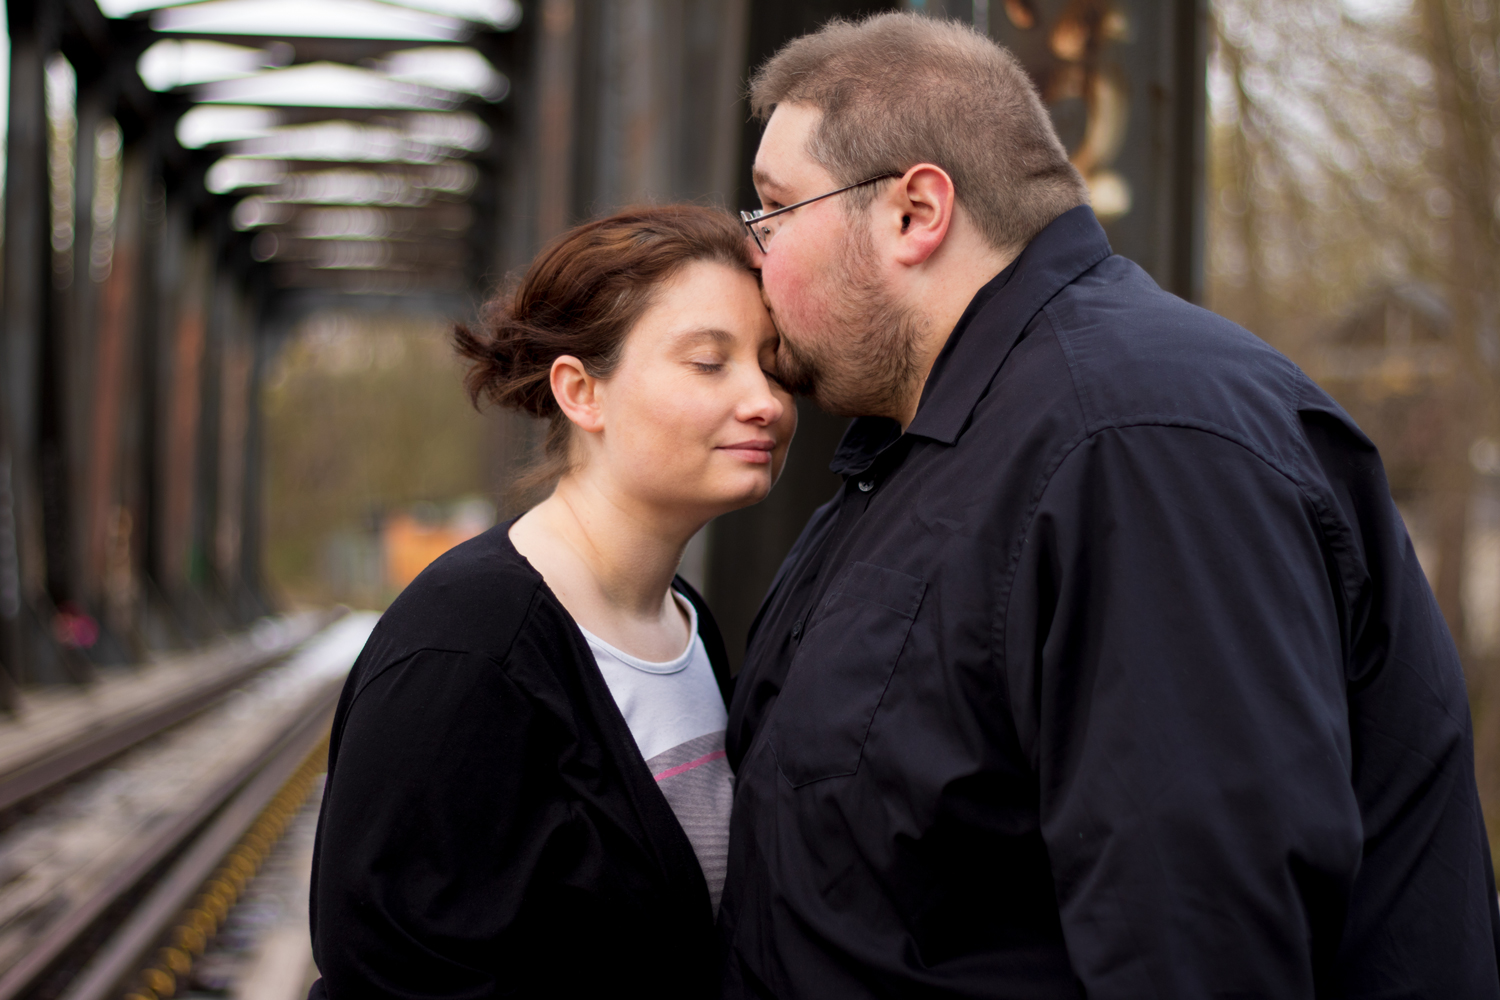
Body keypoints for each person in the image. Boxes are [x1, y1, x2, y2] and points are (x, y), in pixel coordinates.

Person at [720, 13, 1500, 998]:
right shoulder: (943, 447)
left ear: (916, 212)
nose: (754, 252)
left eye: (775, 209)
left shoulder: (1135, 445)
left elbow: (1200, 942)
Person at [306, 205, 795, 999]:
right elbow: (389, 979)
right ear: (581, 392)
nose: (765, 400)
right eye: (711, 363)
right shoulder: (467, 650)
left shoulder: (685, 625)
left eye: (773, 365)